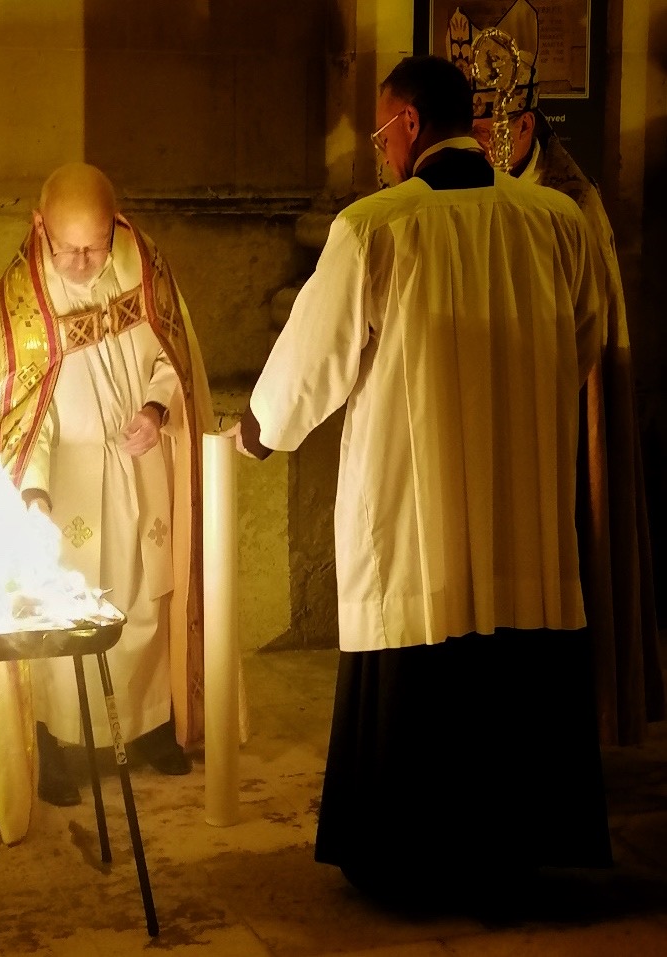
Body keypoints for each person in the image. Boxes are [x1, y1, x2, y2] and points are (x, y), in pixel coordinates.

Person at [230, 55, 612, 899]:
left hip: (416, 504)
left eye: (380, 130)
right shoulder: (554, 220)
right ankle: (515, 848)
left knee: (418, 618)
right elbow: (581, 345)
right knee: (517, 643)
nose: (380, 148)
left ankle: (409, 855)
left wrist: (257, 432)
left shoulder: (375, 227)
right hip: (522, 502)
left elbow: (314, 357)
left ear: (407, 124)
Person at [0, 162, 213, 843]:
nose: (84, 263)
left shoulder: (143, 269)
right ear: (39, 227)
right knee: (63, 606)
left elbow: (172, 355)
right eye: (69, 248)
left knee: (144, 593)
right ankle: (52, 739)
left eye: (96, 246)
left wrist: (155, 404)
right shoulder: (22, 304)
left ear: (116, 225)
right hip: (65, 479)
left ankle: (145, 727)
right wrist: (33, 491)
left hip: (138, 460)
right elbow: (21, 411)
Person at [447, 1, 664, 746]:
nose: (474, 146)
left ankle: (577, 705)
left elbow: (582, 333)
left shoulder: (566, 205)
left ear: (524, 126)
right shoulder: (493, 196)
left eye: (483, 132)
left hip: (568, 407)